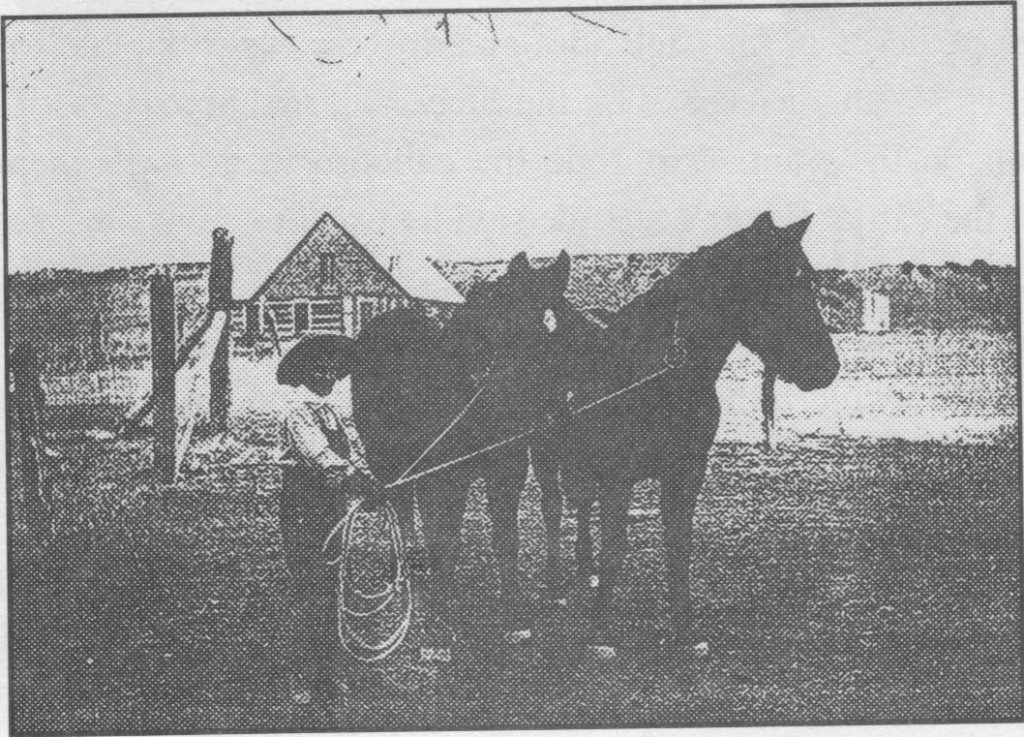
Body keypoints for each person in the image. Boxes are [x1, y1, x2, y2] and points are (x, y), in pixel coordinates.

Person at [275, 334, 378, 706]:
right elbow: (321, 456)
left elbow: (350, 456)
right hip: (303, 505)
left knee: (331, 585)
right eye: (318, 367)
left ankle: (328, 670)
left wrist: (368, 479)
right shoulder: (297, 411)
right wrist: (357, 479)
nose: (327, 372)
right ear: (304, 373)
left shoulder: (331, 412)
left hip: (330, 505)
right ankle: (301, 672)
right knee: (308, 587)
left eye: (332, 366)